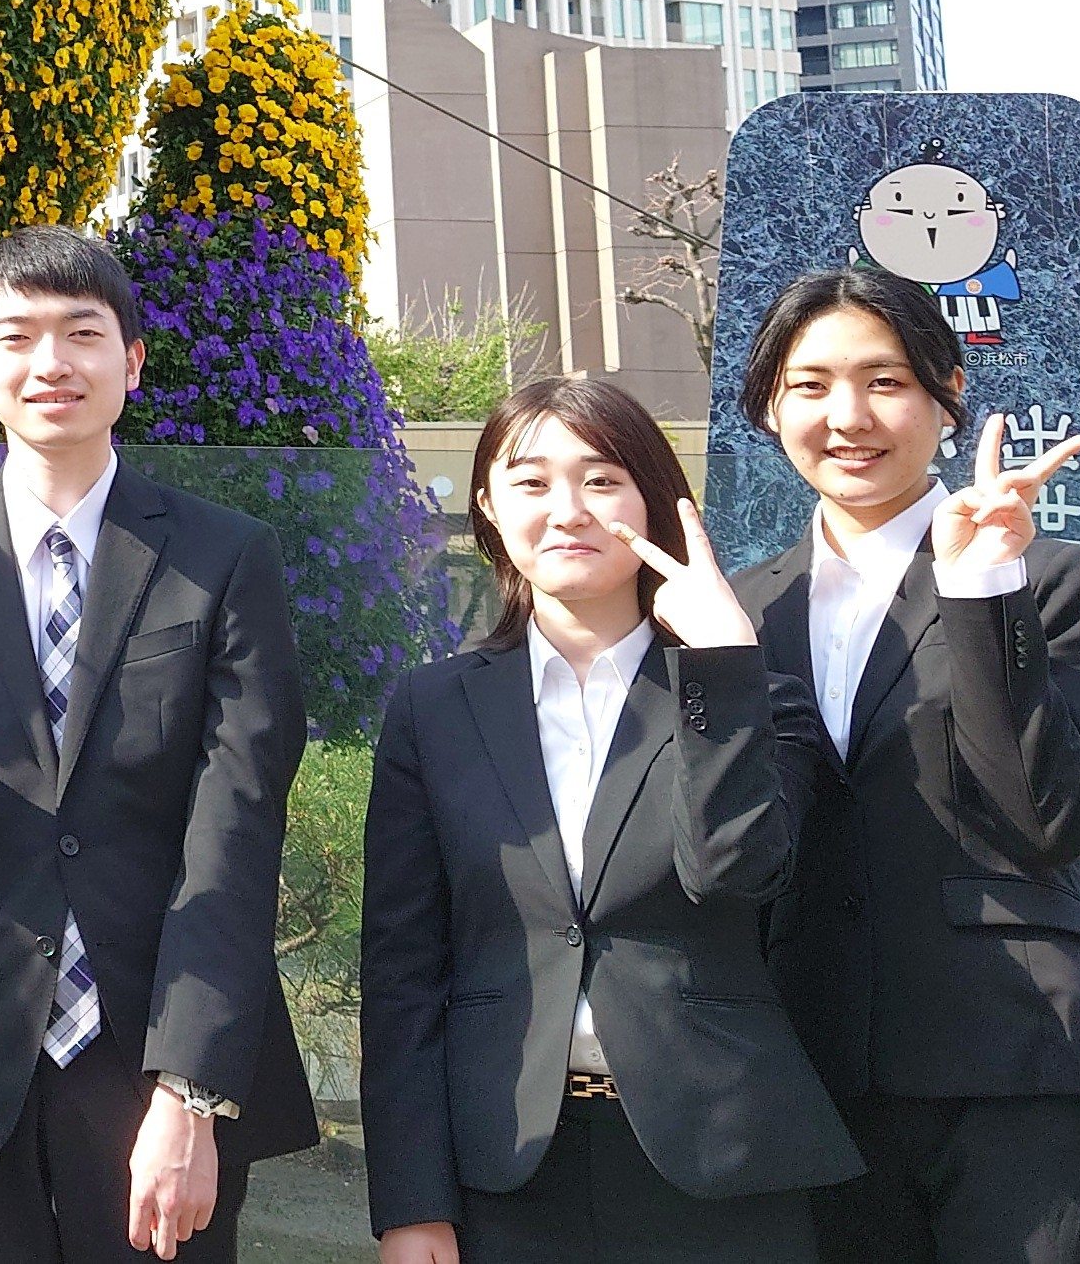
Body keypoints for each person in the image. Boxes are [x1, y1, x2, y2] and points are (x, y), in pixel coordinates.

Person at [0, 224, 316, 1262]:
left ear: (131, 362)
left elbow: (236, 832)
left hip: (157, 1047)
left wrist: (190, 1091)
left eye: (82, 332)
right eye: (16, 337)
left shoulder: (222, 557)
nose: (51, 363)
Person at [725, 268, 1080, 1264]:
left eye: (885, 381)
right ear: (767, 408)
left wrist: (981, 589)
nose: (848, 417)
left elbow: (1050, 819)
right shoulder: (736, 612)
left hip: (1029, 1069)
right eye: (810, 386)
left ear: (948, 396)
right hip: (820, 1092)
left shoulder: (1045, 577)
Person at [360, 376, 860, 1264]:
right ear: (488, 507)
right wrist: (411, 1203)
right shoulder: (433, 710)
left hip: (720, 1158)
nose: (569, 510)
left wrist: (720, 668)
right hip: (506, 1163)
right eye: (531, 482)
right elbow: (402, 971)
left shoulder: (754, 694)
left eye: (601, 479)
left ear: (655, 502)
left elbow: (735, 873)